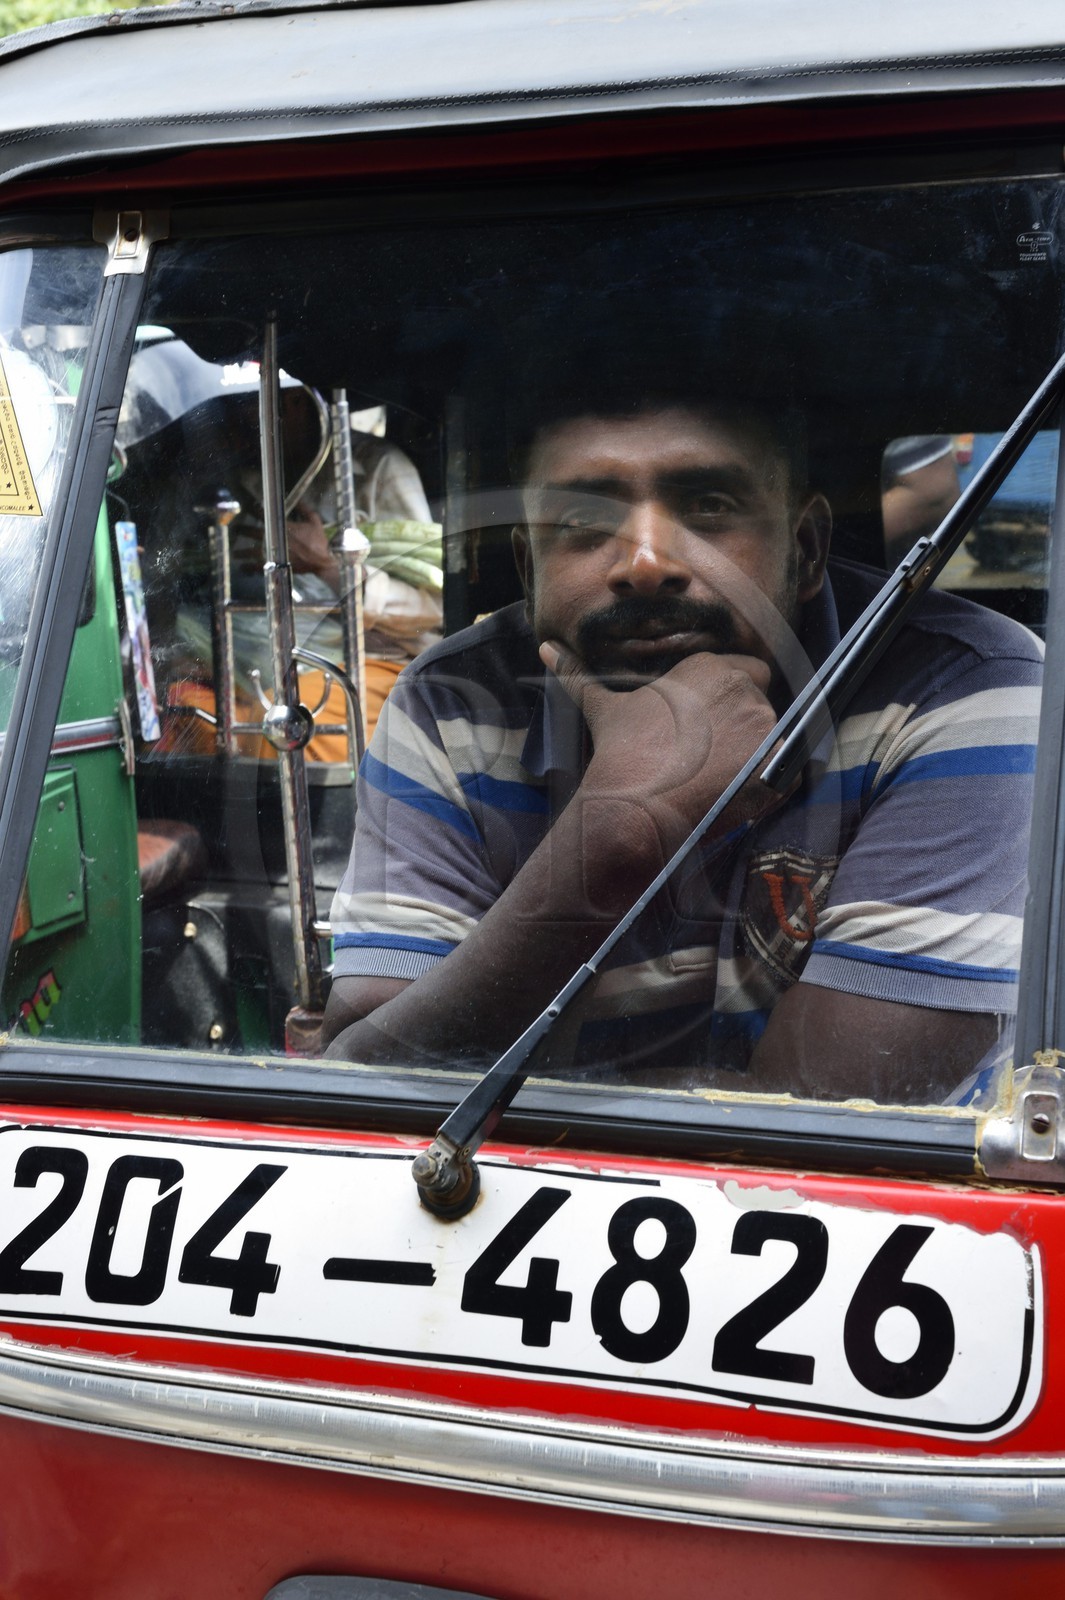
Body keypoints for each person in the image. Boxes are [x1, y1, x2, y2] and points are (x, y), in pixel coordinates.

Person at [321, 390, 1042, 1104]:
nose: (643, 562)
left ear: (805, 547)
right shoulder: (448, 703)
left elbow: (840, 1115)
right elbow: (369, 1080)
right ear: (526, 564)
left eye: (706, 508)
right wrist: (617, 828)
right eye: (580, 520)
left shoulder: (969, 686)